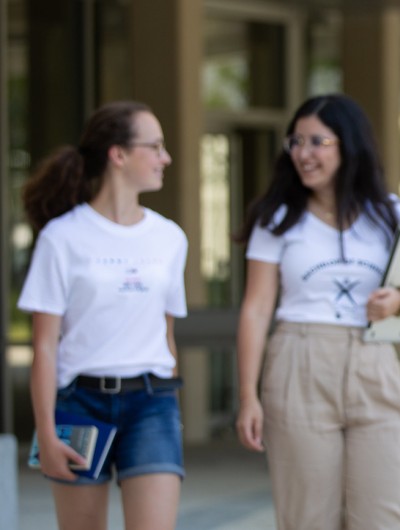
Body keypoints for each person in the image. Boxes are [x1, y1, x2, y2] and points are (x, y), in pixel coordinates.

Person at [233, 94, 400, 530]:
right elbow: (255, 310)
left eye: (317, 142)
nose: (303, 153)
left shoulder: (390, 213)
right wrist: (247, 395)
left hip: (374, 361)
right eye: (296, 142)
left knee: (381, 518)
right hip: (299, 359)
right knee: (308, 517)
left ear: (348, 145)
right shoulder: (277, 219)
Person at [19, 101, 186, 529]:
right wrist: (46, 433)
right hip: (78, 403)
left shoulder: (169, 238)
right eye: (156, 146)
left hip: (152, 404)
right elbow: (43, 345)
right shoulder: (62, 238)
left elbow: (166, 335)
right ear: (119, 154)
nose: (165, 158)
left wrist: (171, 407)